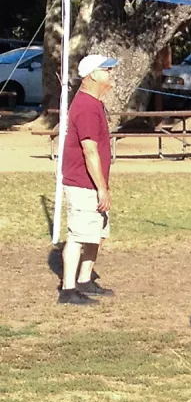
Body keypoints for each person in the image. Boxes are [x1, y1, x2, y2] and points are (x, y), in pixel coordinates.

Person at [58, 54, 121, 306]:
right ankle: (68, 288)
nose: (111, 75)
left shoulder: (94, 104)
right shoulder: (85, 106)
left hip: (93, 182)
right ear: (93, 75)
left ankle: (85, 279)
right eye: (107, 70)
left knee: (97, 233)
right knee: (77, 235)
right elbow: (89, 150)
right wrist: (101, 188)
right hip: (82, 183)